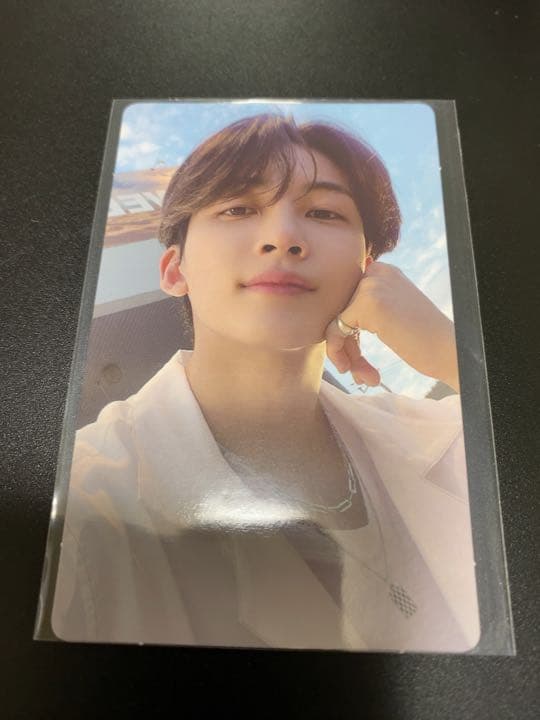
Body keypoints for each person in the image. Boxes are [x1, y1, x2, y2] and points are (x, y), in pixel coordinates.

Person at [52, 113, 479, 652]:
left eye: (323, 212)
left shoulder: (450, 435)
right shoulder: (80, 513)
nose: (283, 238)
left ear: (368, 267)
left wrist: (457, 357)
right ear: (174, 270)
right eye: (238, 208)